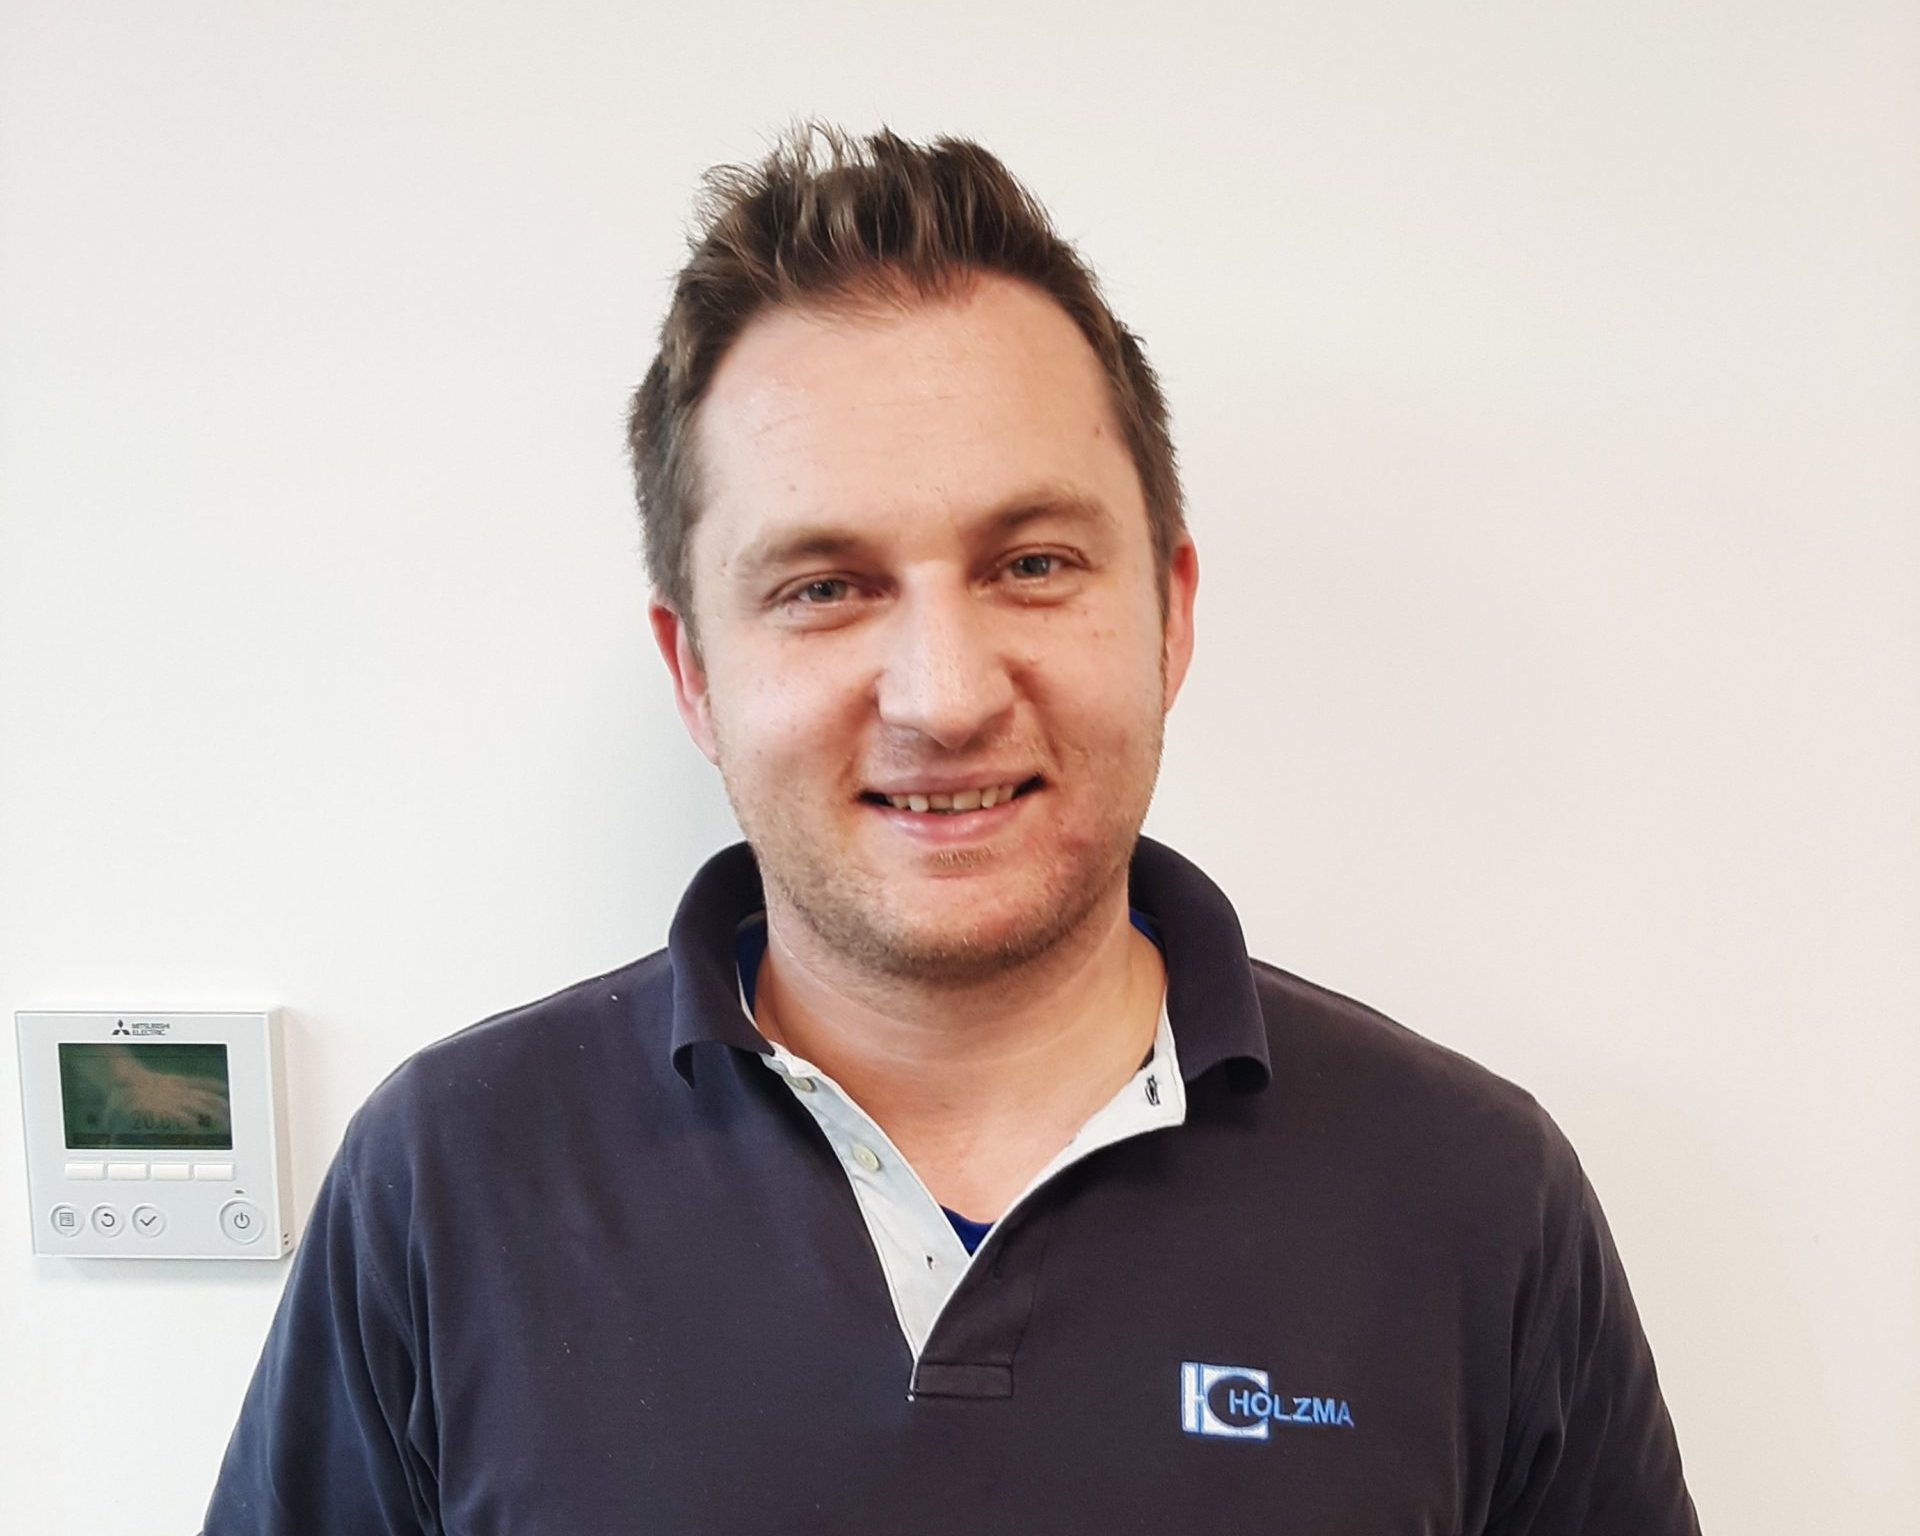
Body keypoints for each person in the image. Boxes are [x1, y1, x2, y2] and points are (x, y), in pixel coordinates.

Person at [201, 126, 1700, 1534]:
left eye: (1032, 563)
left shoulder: (1474, 1196)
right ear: (696, 672)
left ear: (1169, 615)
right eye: (824, 587)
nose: (944, 696)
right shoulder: (448, 1181)